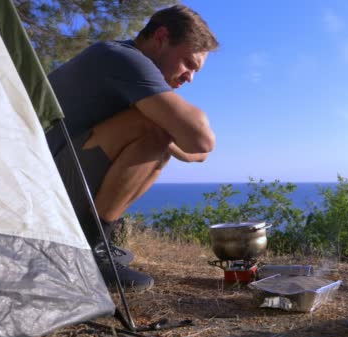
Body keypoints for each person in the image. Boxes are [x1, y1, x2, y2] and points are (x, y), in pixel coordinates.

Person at [44, 5, 219, 292]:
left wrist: (173, 131)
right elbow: (200, 140)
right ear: (161, 37)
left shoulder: (128, 71)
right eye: (188, 62)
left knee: (158, 128)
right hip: (44, 188)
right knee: (152, 127)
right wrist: (172, 131)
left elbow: (198, 150)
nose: (190, 77)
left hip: (53, 179)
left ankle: (96, 241)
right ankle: (89, 250)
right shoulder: (122, 59)